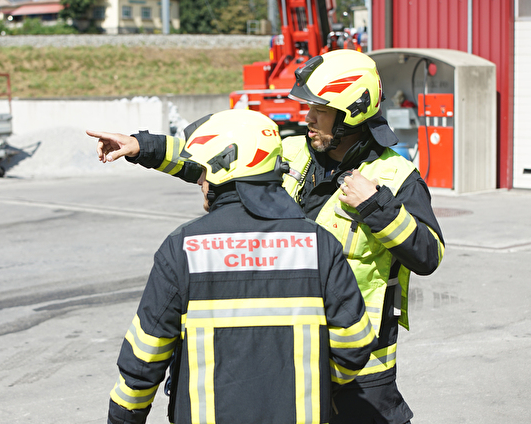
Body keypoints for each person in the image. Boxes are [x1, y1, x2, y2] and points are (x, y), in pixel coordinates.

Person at [91, 49, 445, 424]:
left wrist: (377, 206)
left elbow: (428, 255)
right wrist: (142, 147)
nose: (306, 118)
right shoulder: (291, 152)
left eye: (319, 111)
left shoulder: (396, 176)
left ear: (350, 114)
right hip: (288, 358)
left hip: (360, 368)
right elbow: (216, 158)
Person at [98, 109, 378, 424]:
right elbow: (354, 344)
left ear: (223, 168)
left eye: (203, 170)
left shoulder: (183, 248)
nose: (200, 180)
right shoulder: (319, 244)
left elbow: (143, 358)